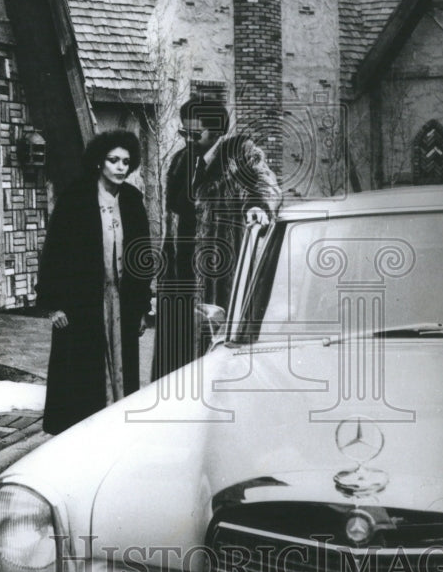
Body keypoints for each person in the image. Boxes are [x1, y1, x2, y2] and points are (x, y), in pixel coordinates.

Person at [154, 95, 282, 378]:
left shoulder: (240, 155)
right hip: (179, 278)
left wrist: (258, 207)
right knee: (176, 363)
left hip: (218, 278)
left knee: (211, 363)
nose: (188, 139)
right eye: (183, 132)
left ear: (217, 131)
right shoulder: (180, 162)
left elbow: (266, 185)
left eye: (195, 134)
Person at [36, 130, 152, 434]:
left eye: (126, 161)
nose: (120, 167)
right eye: (114, 160)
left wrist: (140, 306)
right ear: (100, 162)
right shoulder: (76, 198)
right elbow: (55, 253)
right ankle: (82, 434)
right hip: (82, 302)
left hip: (121, 300)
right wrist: (54, 304)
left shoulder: (132, 199)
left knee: (122, 363)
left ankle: (117, 428)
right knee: (83, 371)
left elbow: (142, 257)